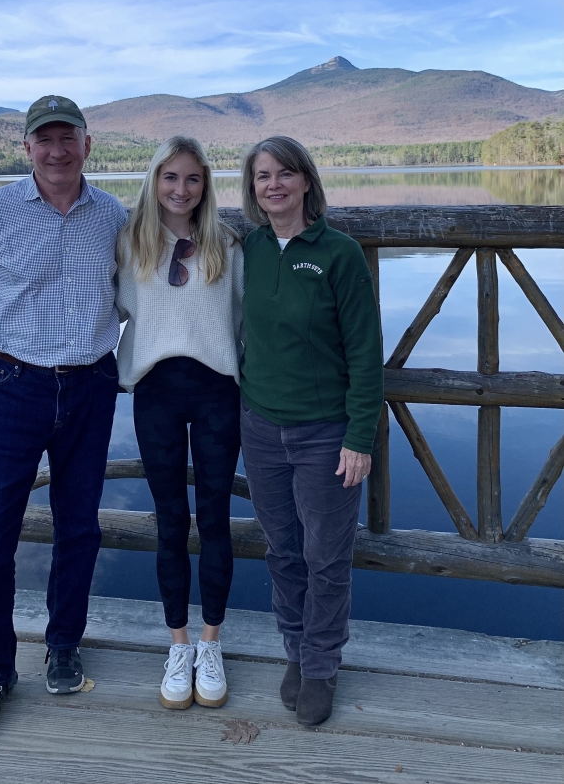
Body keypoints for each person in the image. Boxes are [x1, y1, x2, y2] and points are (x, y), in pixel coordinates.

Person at [0, 95, 127, 743]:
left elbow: (142, 293)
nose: (56, 150)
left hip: (90, 387)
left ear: (86, 143)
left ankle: (64, 645)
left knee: (79, 528)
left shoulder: (113, 216)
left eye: (67, 137)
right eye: (43, 139)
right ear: (26, 148)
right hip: (9, 386)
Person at [239, 136, 383, 727]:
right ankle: (295, 650)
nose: (272, 185)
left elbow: (365, 353)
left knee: (327, 556)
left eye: (284, 174)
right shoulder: (246, 248)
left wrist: (360, 435)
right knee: (283, 552)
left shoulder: (338, 254)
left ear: (305, 181)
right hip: (260, 426)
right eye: (261, 177)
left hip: (326, 433)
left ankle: (322, 664)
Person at [116, 135, 243, 710]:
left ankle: (212, 642)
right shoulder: (131, 243)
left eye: (192, 179)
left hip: (217, 393)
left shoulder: (229, 244)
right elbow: (115, 309)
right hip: (156, 394)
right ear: (154, 180)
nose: (180, 189)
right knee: (170, 519)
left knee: (215, 517)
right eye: (170, 177)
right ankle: (178, 643)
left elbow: (247, 318)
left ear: (206, 185)